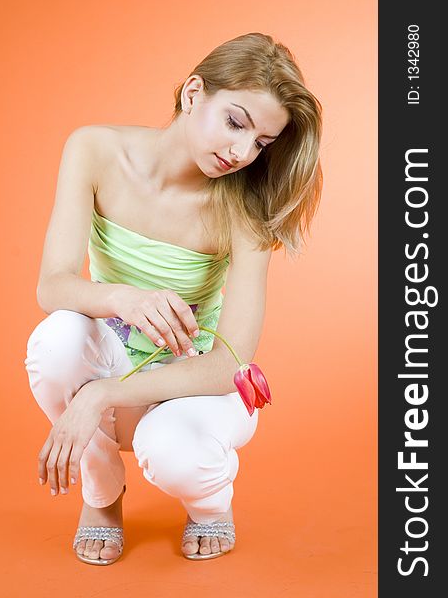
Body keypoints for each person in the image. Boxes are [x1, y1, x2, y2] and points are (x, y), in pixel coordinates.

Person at [24, 31, 323, 564]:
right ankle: (102, 494)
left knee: (172, 452)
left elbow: (229, 363)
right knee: (55, 341)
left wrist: (98, 396)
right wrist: (126, 298)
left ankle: (211, 506)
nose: (241, 151)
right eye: (236, 121)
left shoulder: (245, 209)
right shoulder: (94, 149)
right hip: (113, 354)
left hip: (191, 384)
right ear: (192, 94)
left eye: (261, 143)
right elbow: (54, 286)